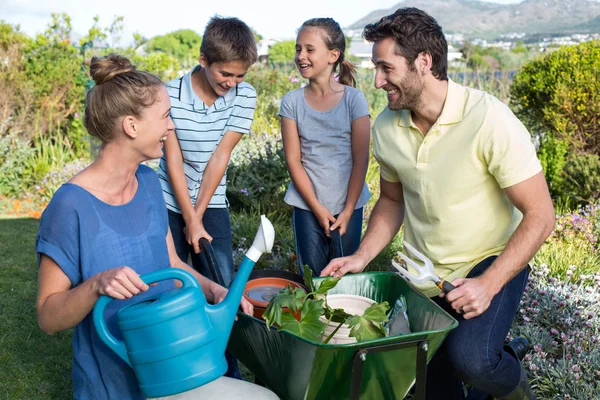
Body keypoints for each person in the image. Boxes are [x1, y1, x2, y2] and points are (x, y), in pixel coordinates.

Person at [321, 8, 555, 400]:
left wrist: (487, 284)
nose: (377, 81)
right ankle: (499, 361)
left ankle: (516, 385)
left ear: (423, 62)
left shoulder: (488, 119)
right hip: (424, 273)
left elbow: (541, 216)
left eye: (386, 68)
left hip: (490, 261)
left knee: (474, 362)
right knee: (430, 387)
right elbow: (392, 200)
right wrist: (361, 257)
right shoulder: (386, 127)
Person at [35, 54, 276, 400]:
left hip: (172, 367)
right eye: (165, 116)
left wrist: (215, 291)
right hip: (113, 385)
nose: (171, 126)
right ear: (131, 126)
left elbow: (171, 265)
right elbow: (47, 316)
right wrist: (96, 286)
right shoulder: (69, 206)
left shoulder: (148, 182)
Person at [158, 16, 257, 287]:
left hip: (210, 199)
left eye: (240, 75)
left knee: (221, 282)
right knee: (170, 283)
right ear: (204, 60)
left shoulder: (245, 96)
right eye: (225, 74)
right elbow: (173, 160)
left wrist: (197, 215)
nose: (232, 83)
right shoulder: (168, 95)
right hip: (168, 199)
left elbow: (219, 156)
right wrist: (188, 219)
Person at [280, 17, 371, 276]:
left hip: (348, 206)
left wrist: (349, 207)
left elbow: (360, 159)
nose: (301, 56)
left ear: (333, 55)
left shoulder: (354, 99)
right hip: (307, 204)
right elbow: (293, 160)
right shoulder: (291, 102)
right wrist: (317, 208)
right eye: (298, 49)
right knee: (312, 277)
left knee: (342, 276)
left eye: (310, 49)